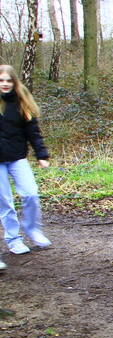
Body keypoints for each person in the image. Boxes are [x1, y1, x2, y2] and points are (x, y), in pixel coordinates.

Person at [0, 64, 51, 268]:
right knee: (5, 202)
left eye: (8, 80)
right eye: (1, 80)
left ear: (15, 82)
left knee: (31, 194)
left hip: (17, 157)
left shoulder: (22, 104)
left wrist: (42, 155)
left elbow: (34, 132)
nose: (5, 84)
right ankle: (14, 239)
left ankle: (33, 229)